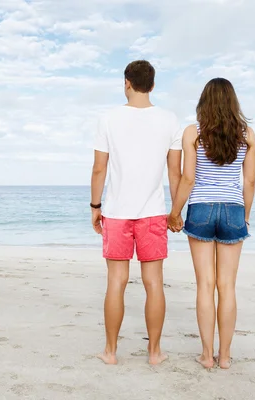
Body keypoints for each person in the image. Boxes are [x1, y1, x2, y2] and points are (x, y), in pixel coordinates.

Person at [90, 60, 183, 365]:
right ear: (152, 85)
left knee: (116, 281)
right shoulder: (170, 120)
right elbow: (175, 173)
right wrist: (175, 211)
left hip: (116, 212)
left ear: (126, 82)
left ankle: (111, 352)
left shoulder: (108, 119)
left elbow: (99, 168)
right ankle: (154, 352)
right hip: (153, 213)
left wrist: (95, 206)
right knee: (154, 282)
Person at [168, 78, 255, 370]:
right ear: (233, 103)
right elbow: (250, 181)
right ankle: (226, 357)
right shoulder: (247, 135)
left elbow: (188, 178)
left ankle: (207, 355)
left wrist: (175, 212)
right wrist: (244, 216)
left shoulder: (194, 133)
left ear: (204, 102)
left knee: (205, 285)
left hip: (202, 208)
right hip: (233, 209)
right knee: (227, 286)